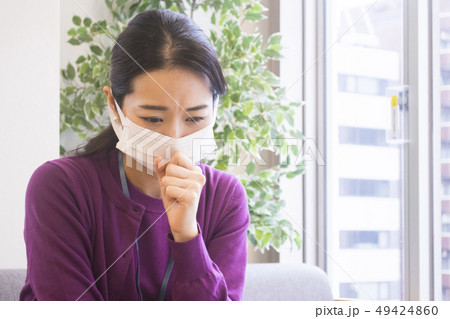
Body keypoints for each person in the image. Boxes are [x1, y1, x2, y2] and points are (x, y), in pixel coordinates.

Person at [19, 9, 250, 301]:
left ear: (215, 109)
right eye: (153, 119)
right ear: (113, 105)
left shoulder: (225, 198)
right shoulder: (59, 186)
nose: (175, 138)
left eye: (194, 118)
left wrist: (188, 235)